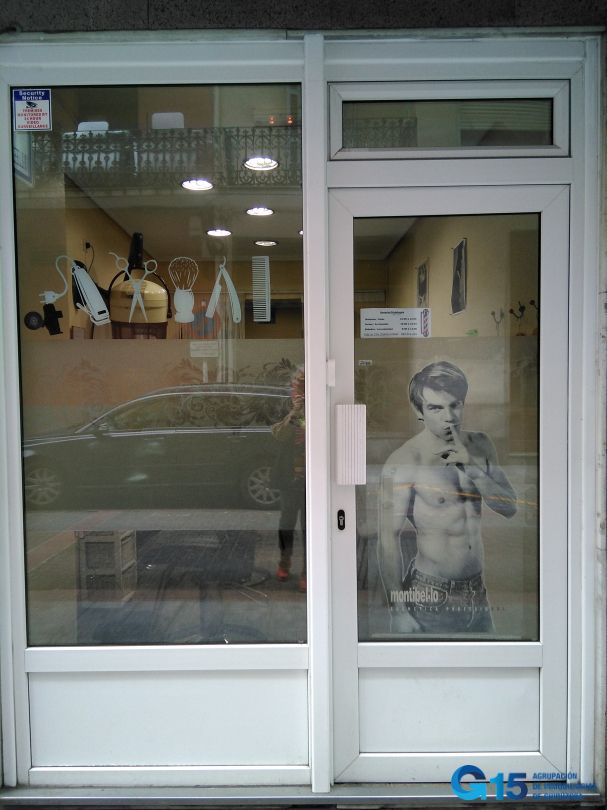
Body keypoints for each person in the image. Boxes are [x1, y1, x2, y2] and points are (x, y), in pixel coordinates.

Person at [378, 361, 517, 634]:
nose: (449, 417)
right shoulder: (405, 460)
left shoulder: (480, 445)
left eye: (455, 405)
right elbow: (387, 540)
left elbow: (509, 508)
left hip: (477, 592)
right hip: (431, 593)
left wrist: (472, 469)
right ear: (419, 411)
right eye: (435, 408)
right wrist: (398, 610)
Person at [271, 368, 306, 592]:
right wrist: (295, 411)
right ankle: (284, 561)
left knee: (309, 526)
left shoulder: (318, 407)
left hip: (311, 477)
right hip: (290, 477)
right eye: (296, 387)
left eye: (302, 388)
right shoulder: (287, 408)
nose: (298, 392)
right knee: (286, 523)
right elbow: (280, 435)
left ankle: (308, 570)